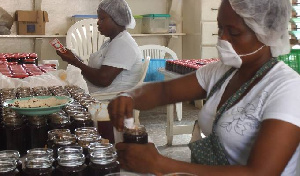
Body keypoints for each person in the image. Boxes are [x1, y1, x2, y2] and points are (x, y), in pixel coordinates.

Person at [107, 0, 300, 175]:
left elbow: (261, 173)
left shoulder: (287, 89)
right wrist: (129, 96)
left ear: (266, 34)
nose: (223, 38)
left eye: (233, 32)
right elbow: (164, 91)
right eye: (220, 28)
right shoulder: (222, 72)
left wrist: (161, 164)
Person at [57, 0, 143, 94]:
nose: (98, 23)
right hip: (99, 95)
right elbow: (95, 71)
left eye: (102, 19)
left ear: (117, 19)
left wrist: (74, 61)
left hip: (110, 100)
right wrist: (73, 58)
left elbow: (103, 80)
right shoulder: (112, 41)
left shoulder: (123, 44)